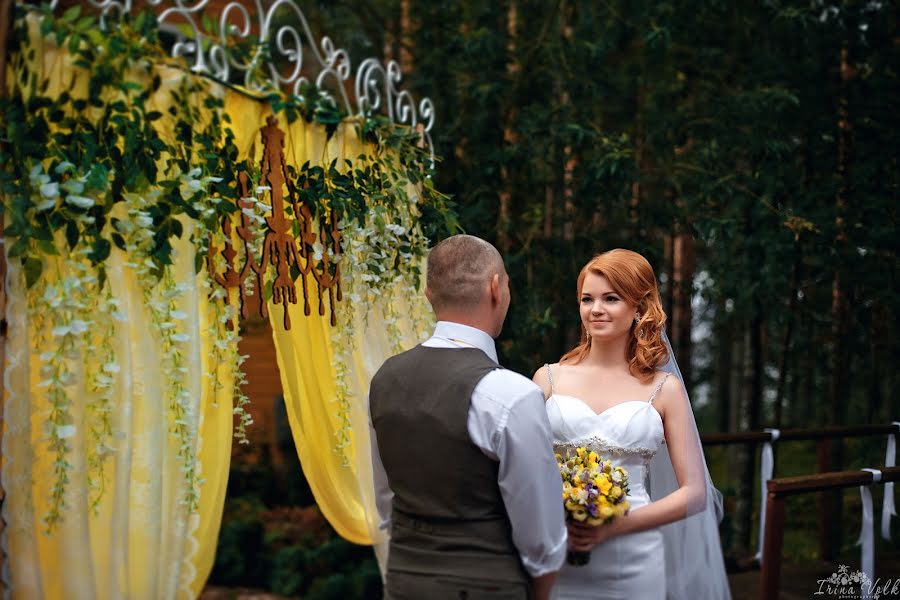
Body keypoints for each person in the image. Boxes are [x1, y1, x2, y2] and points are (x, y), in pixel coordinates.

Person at [369, 234, 568, 600]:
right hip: (487, 584)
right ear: (496, 288)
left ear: (429, 295)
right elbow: (540, 535)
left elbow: (385, 501)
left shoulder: (384, 380)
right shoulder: (512, 394)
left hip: (404, 580)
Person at [533, 249, 731, 599]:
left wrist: (614, 528)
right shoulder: (547, 379)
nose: (596, 309)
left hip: (634, 559)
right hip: (558, 552)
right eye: (587, 299)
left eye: (611, 298)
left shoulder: (663, 390)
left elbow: (695, 494)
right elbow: (525, 469)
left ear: (639, 308)